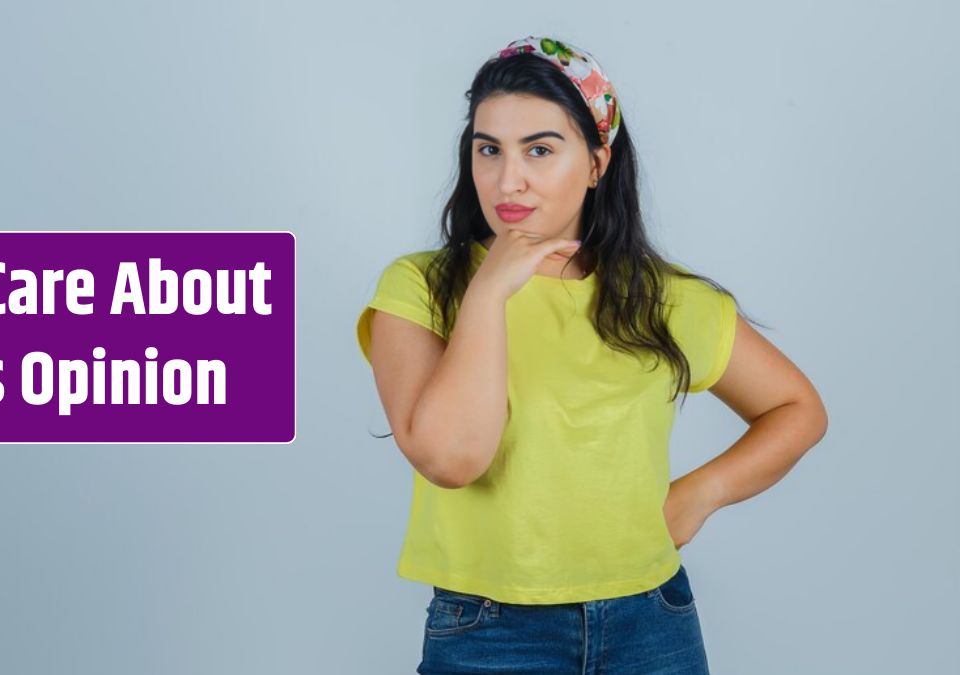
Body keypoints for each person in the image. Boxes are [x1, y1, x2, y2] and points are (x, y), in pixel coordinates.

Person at [355, 36, 829, 674]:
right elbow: (449, 459)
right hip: (491, 632)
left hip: (651, 622)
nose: (508, 178)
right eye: (488, 149)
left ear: (597, 162)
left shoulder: (665, 297)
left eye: (540, 150)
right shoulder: (420, 287)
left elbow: (796, 408)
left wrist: (699, 494)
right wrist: (491, 287)